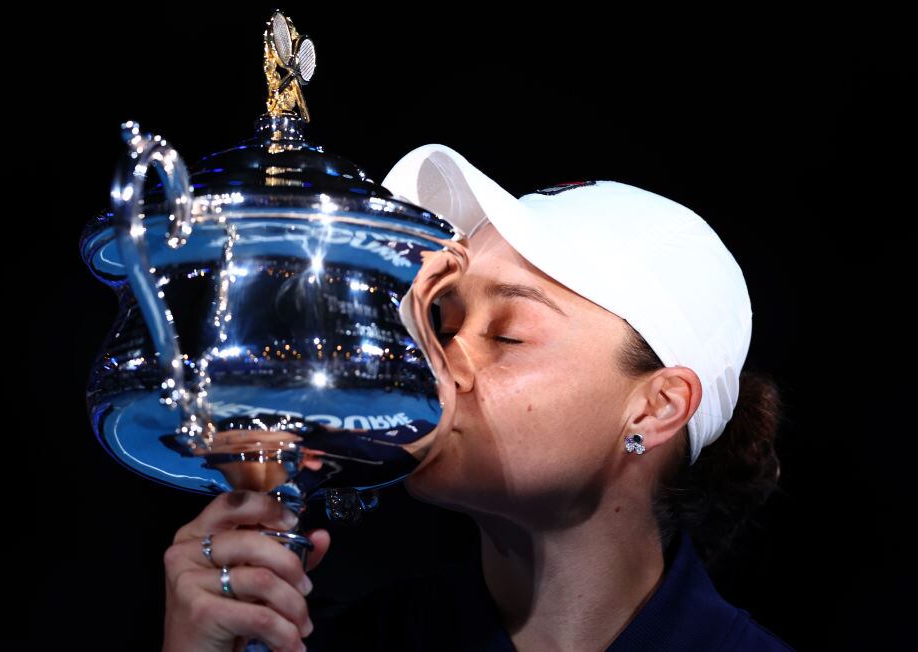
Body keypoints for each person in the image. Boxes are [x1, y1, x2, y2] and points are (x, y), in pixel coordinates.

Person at [160, 144, 794, 651]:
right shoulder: (318, 639)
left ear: (657, 408)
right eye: (442, 325)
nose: (438, 363)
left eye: (507, 335)